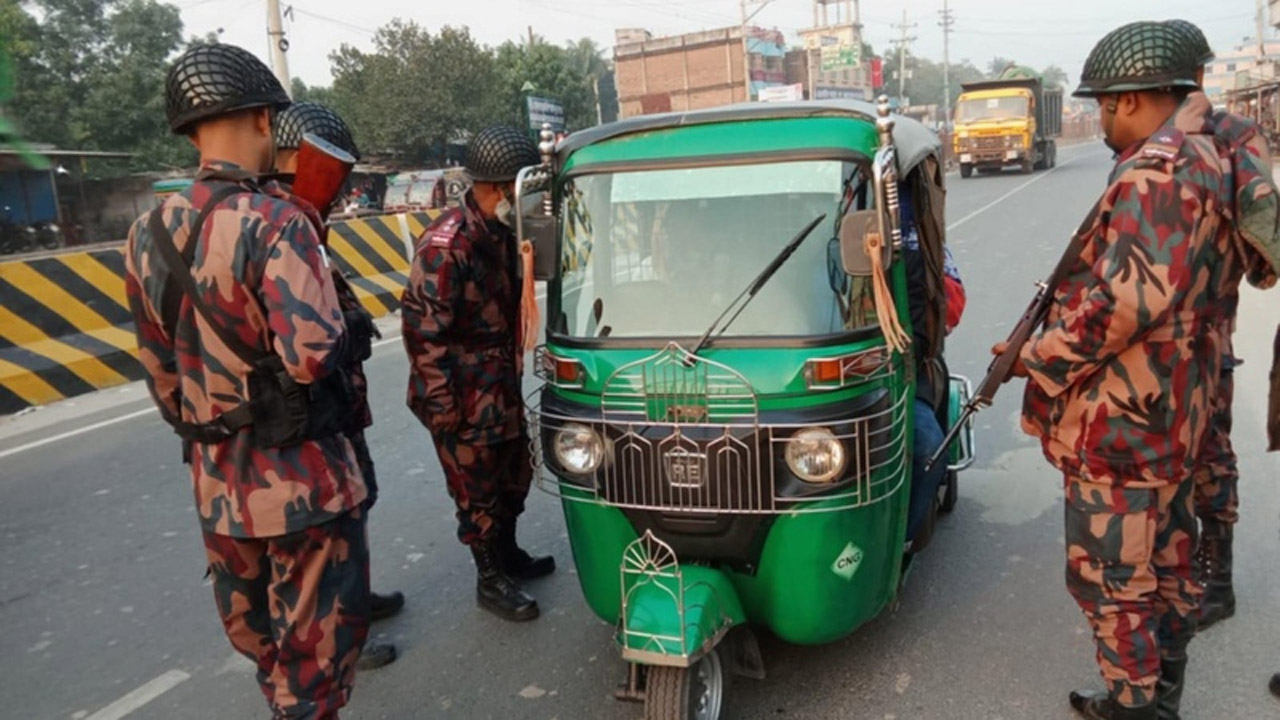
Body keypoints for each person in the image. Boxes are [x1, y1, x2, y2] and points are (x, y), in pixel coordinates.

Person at [123, 45, 370, 718]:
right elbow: (313, 354)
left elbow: (160, 374)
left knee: (266, 649)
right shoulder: (277, 221)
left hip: (218, 487)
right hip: (303, 488)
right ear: (262, 119)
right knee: (314, 666)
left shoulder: (147, 232)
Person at [1004, 22, 1234, 720]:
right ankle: (1159, 699)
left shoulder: (1156, 173)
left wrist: (1035, 358)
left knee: (1111, 579)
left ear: (1136, 99)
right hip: (1175, 410)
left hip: (1128, 423)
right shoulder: (1206, 156)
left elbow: (1123, 302)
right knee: (1166, 563)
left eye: (1105, 105)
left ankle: (1136, 708)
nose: (1101, 118)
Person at [271, 100, 404, 671]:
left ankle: (356, 603)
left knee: (355, 510)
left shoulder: (305, 223)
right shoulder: (277, 224)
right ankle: (341, 638)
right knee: (323, 535)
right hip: (309, 416)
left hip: (337, 409)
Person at [401, 125, 553, 622]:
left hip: (498, 384)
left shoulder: (504, 234)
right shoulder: (448, 246)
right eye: (521, 190)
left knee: (514, 476)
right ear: (495, 188)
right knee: (477, 490)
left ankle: (508, 555)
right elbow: (424, 336)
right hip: (461, 393)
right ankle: (489, 579)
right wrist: (444, 408)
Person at [1163, 18, 1280, 631]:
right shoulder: (1151, 139)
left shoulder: (1234, 136)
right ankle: (1173, 572)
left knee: (1208, 453)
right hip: (1149, 335)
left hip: (1205, 331)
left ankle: (1217, 576)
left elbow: (1266, 250)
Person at [899, 180, 966, 551]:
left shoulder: (928, 245)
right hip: (848, 375)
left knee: (928, 448)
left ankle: (902, 538)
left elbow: (952, 307)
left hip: (910, 372)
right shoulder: (833, 240)